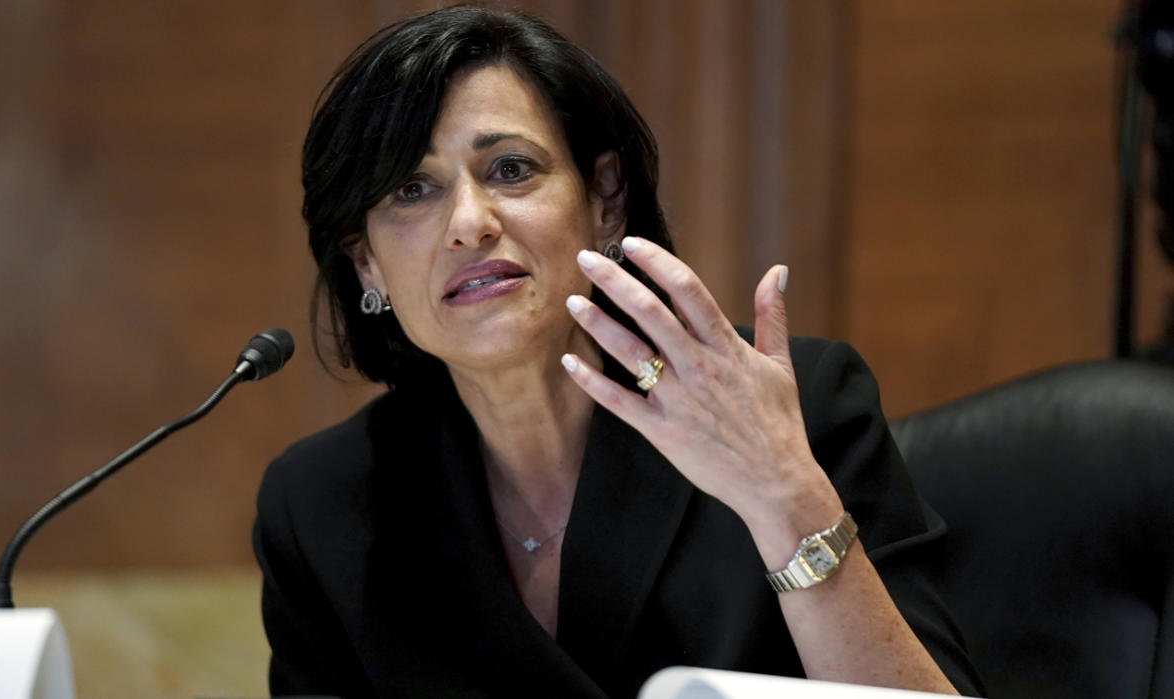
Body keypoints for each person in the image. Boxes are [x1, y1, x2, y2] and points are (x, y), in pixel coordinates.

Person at [253, 6, 983, 698]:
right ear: (367, 266)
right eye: (412, 189)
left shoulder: (798, 410)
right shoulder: (322, 507)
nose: (469, 223)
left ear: (605, 198)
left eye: (510, 169)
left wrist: (785, 495)